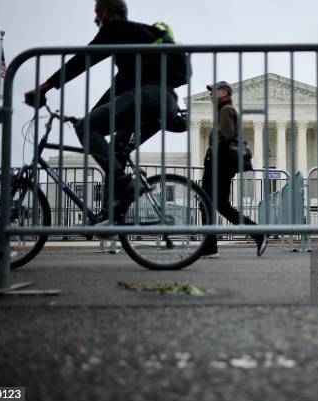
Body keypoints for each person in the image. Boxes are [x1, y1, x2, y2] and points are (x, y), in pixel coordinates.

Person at [24, 0, 181, 222]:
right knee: (115, 151)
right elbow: (115, 91)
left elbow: (82, 60)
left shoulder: (115, 29)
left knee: (89, 131)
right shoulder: (137, 42)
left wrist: (44, 87)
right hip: (166, 101)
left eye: (98, 12)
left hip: (148, 98)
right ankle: (113, 214)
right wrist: (92, 115)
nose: (96, 18)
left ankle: (124, 183)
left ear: (108, 12)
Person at [200, 81, 267, 258]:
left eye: (213, 92)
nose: (210, 95)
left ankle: (210, 247)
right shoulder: (223, 110)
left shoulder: (226, 110)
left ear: (223, 92)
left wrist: (213, 157)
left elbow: (225, 137)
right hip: (221, 165)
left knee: (207, 204)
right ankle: (256, 233)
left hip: (218, 166)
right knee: (220, 205)